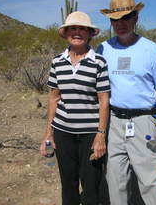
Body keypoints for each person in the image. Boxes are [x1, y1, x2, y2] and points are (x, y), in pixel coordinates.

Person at [97, 0, 156, 205]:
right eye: (115, 19)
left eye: (125, 17)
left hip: (144, 123)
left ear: (135, 18)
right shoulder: (103, 49)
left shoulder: (151, 50)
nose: (120, 23)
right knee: (115, 179)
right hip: (114, 123)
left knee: (150, 179)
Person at [40, 11, 110, 205]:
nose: (77, 32)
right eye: (73, 28)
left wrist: (100, 135)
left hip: (90, 134)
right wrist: (48, 133)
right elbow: (54, 99)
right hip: (63, 133)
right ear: (66, 33)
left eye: (82, 29)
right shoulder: (57, 62)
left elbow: (104, 100)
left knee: (91, 185)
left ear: (89, 33)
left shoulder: (99, 62)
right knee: (68, 184)